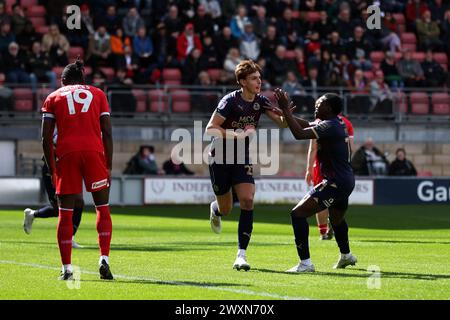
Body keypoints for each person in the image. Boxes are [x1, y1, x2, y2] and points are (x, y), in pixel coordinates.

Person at [206, 60, 288, 271]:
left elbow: (282, 123)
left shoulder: (260, 101)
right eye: (253, 78)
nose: (258, 82)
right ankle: (215, 209)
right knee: (226, 209)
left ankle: (241, 255)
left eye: (259, 78)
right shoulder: (230, 101)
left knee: (247, 200)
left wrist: (286, 111)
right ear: (242, 81)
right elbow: (210, 129)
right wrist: (238, 134)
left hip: (241, 157)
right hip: (220, 157)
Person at [41, 59, 114, 281]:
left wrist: (53, 169)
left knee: (65, 213)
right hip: (94, 152)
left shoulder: (54, 96)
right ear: (83, 80)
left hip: (67, 154)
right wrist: (108, 165)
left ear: (63, 81)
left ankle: (67, 269)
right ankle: (104, 259)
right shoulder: (99, 94)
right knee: (102, 206)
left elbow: (45, 137)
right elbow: (108, 132)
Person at [274, 89, 357, 273]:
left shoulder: (330, 126)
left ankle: (306, 264)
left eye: (319, 103)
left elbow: (299, 134)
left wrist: (286, 110)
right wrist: (288, 115)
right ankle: (346, 256)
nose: (316, 105)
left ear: (328, 108)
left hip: (335, 182)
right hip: (346, 181)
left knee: (297, 214)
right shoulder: (335, 124)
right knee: (336, 219)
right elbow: (306, 124)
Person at [23, 132, 84, 249]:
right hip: (53, 170)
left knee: (79, 202)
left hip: (69, 170)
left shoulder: (80, 131)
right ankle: (32, 214)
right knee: (58, 208)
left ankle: (69, 238)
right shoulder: (62, 132)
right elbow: (49, 145)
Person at [306, 114, 354, 240]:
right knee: (338, 197)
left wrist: (308, 169)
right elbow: (350, 148)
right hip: (340, 167)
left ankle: (323, 233)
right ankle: (334, 224)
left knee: (319, 198)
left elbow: (313, 148)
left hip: (322, 166)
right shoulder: (346, 123)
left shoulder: (319, 122)